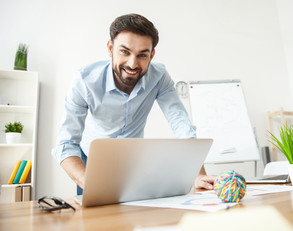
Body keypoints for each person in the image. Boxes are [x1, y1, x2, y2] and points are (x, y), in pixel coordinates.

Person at [52, 13, 215, 194]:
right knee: (96, 220)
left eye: (142, 55)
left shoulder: (159, 77)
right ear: (110, 48)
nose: (132, 64)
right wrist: (88, 181)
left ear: (151, 55)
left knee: (134, 218)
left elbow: (181, 124)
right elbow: (66, 143)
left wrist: (197, 174)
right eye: (124, 51)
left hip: (133, 162)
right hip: (91, 162)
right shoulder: (85, 80)